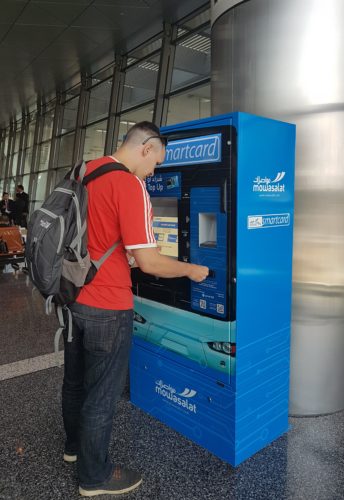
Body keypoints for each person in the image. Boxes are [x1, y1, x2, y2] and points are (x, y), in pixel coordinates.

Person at [62, 121, 209, 497]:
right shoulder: (129, 184)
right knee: (103, 393)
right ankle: (94, 478)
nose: (154, 172)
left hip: (75, 295)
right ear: (145, 148)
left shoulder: (88, 170)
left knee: (76, 379)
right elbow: (151, 263)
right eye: (156, 162)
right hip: (108, 305)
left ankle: (74, 449)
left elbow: (96, 236)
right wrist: (192, 270)